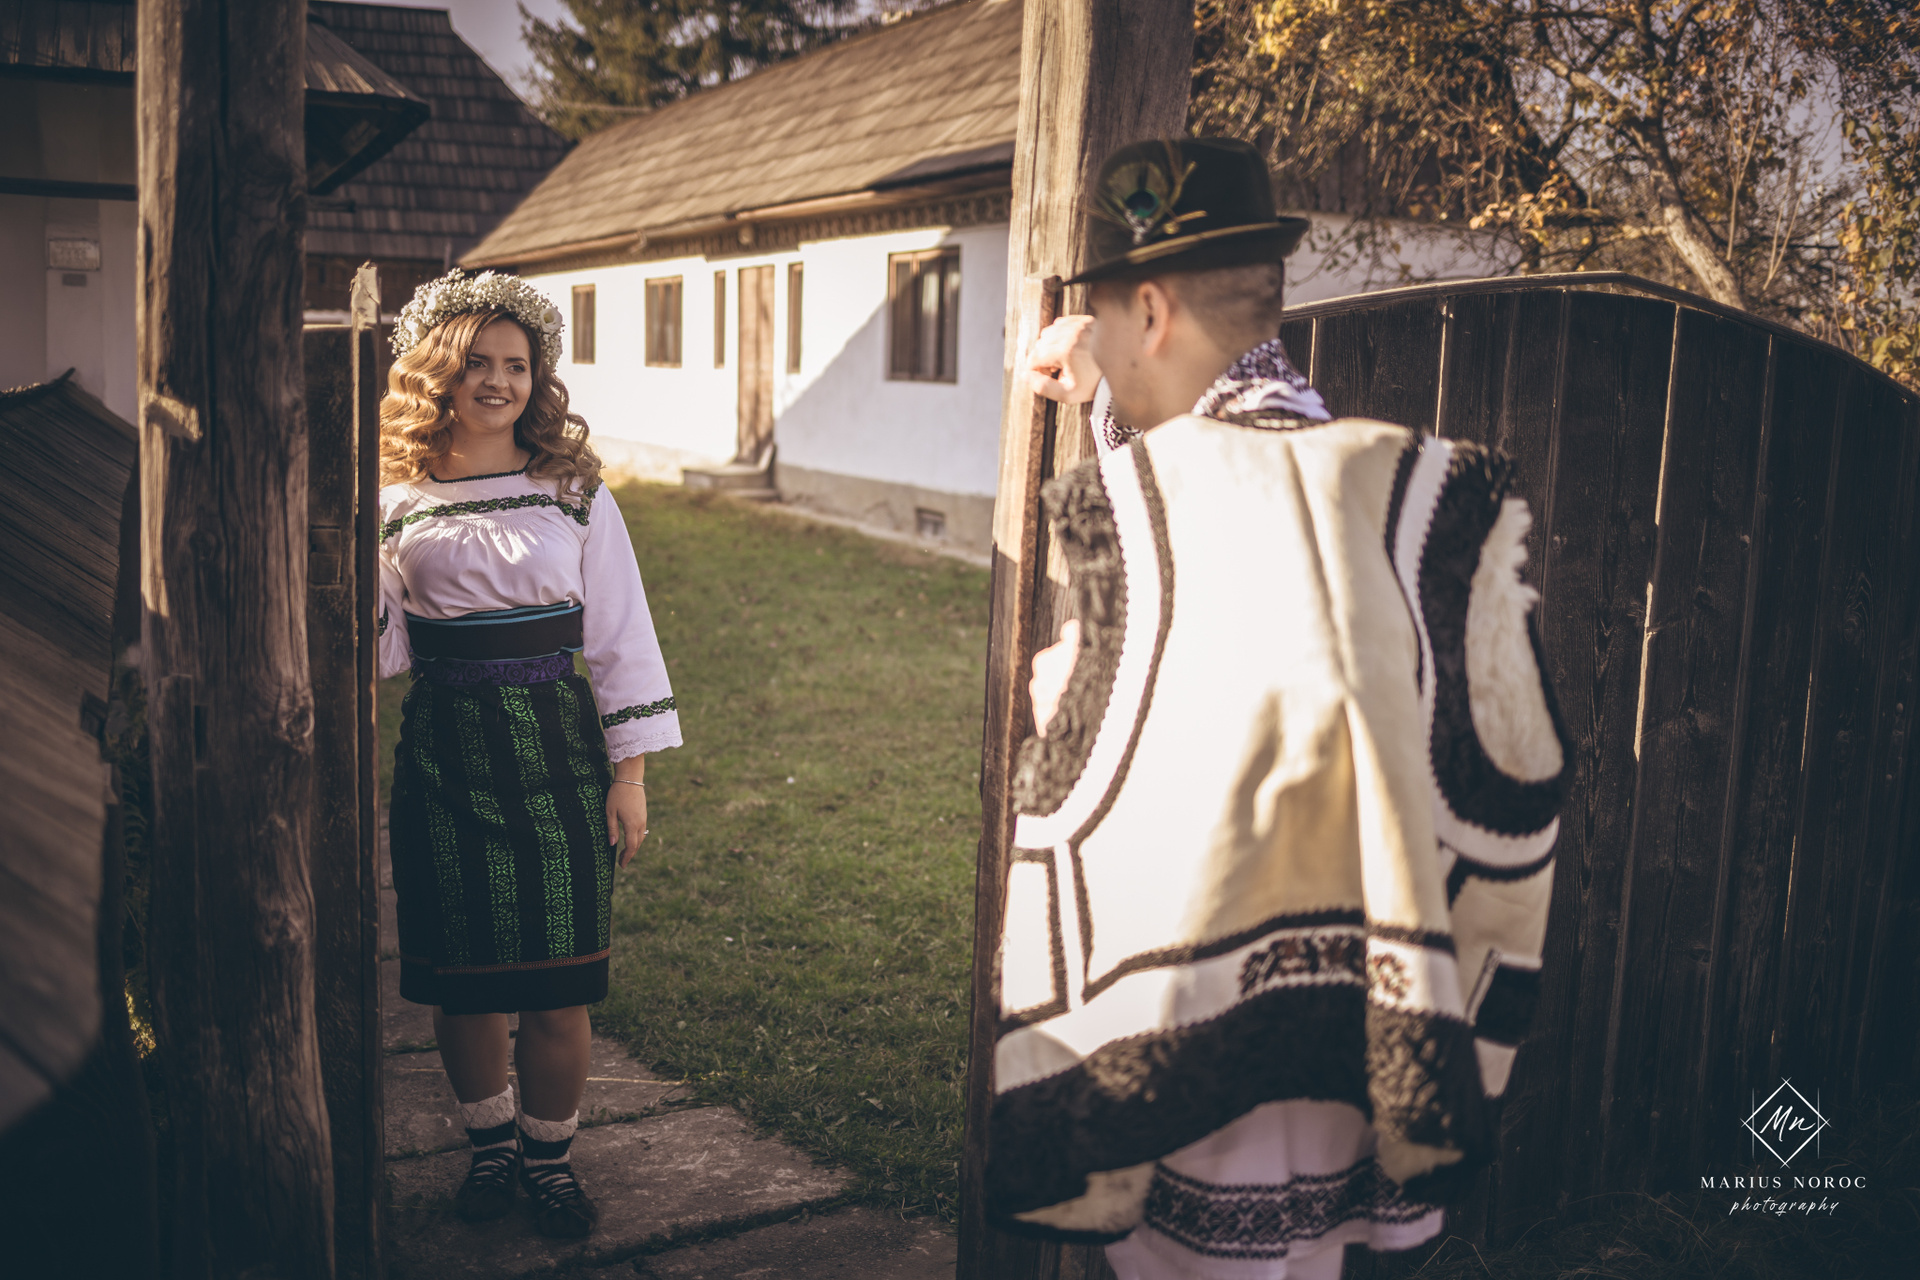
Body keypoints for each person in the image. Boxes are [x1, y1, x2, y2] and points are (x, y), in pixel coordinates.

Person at [988, 138, 1569, 1280]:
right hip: (1373, 1042)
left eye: (1107, 313)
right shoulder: (1395, 494)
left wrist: (1059, 677)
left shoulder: (1170, 514)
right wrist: (1107, 394)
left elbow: (1095, 737)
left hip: (1207, 1058)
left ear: (1150, 310)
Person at [376, 270, 682, 1239]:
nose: (497, 381)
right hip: (444, 758)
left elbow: (622, 638)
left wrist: (630, 776)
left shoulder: (574, 493)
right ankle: (491, 1150)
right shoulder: (394, 501)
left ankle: (549, 1164)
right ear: (438, 374)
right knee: (466, 984)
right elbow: (382, 652)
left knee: (558, 986)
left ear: (536, 379)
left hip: (558, 756)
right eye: (476, 362)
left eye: (515, 364)